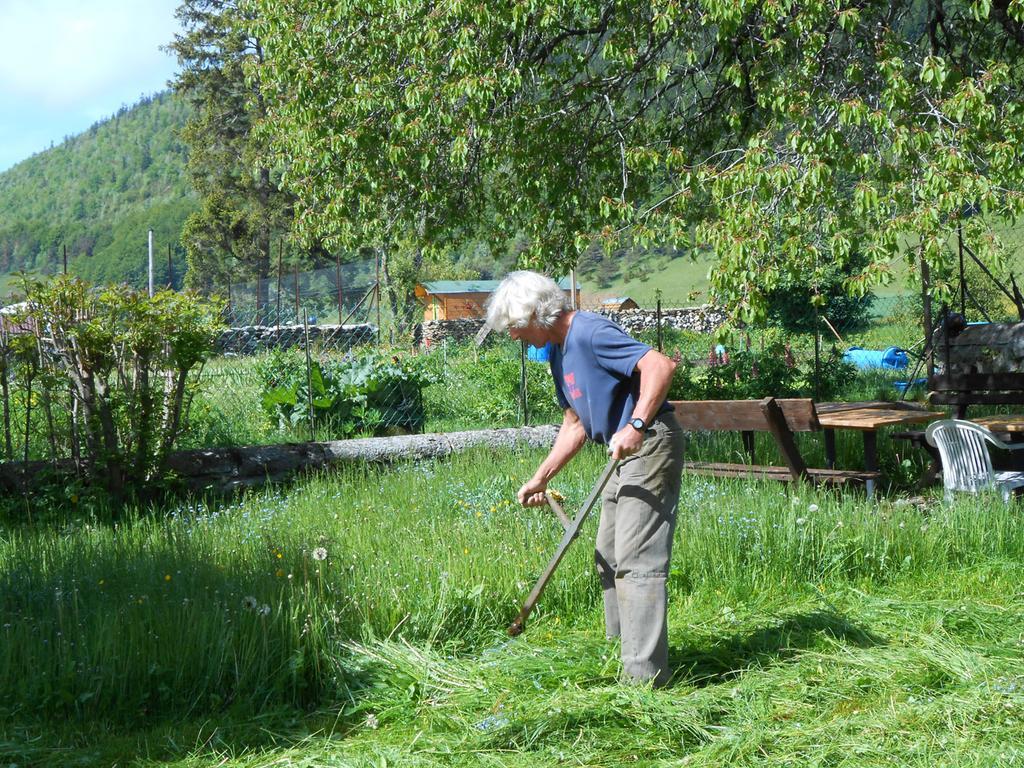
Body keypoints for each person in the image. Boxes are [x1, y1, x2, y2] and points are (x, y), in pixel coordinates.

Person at [485, 270, 685, 686]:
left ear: (535, 314)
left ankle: (643, 680)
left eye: (515, 326)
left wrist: (635, 423)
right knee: (607, 557)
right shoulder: (558, 351)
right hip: (621, 452)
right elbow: (575, 422)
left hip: (647, 444)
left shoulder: (590, 332)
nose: (513, 336)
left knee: (637, 562)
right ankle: (619, 651)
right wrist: (541, 476)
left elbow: (658, 365)